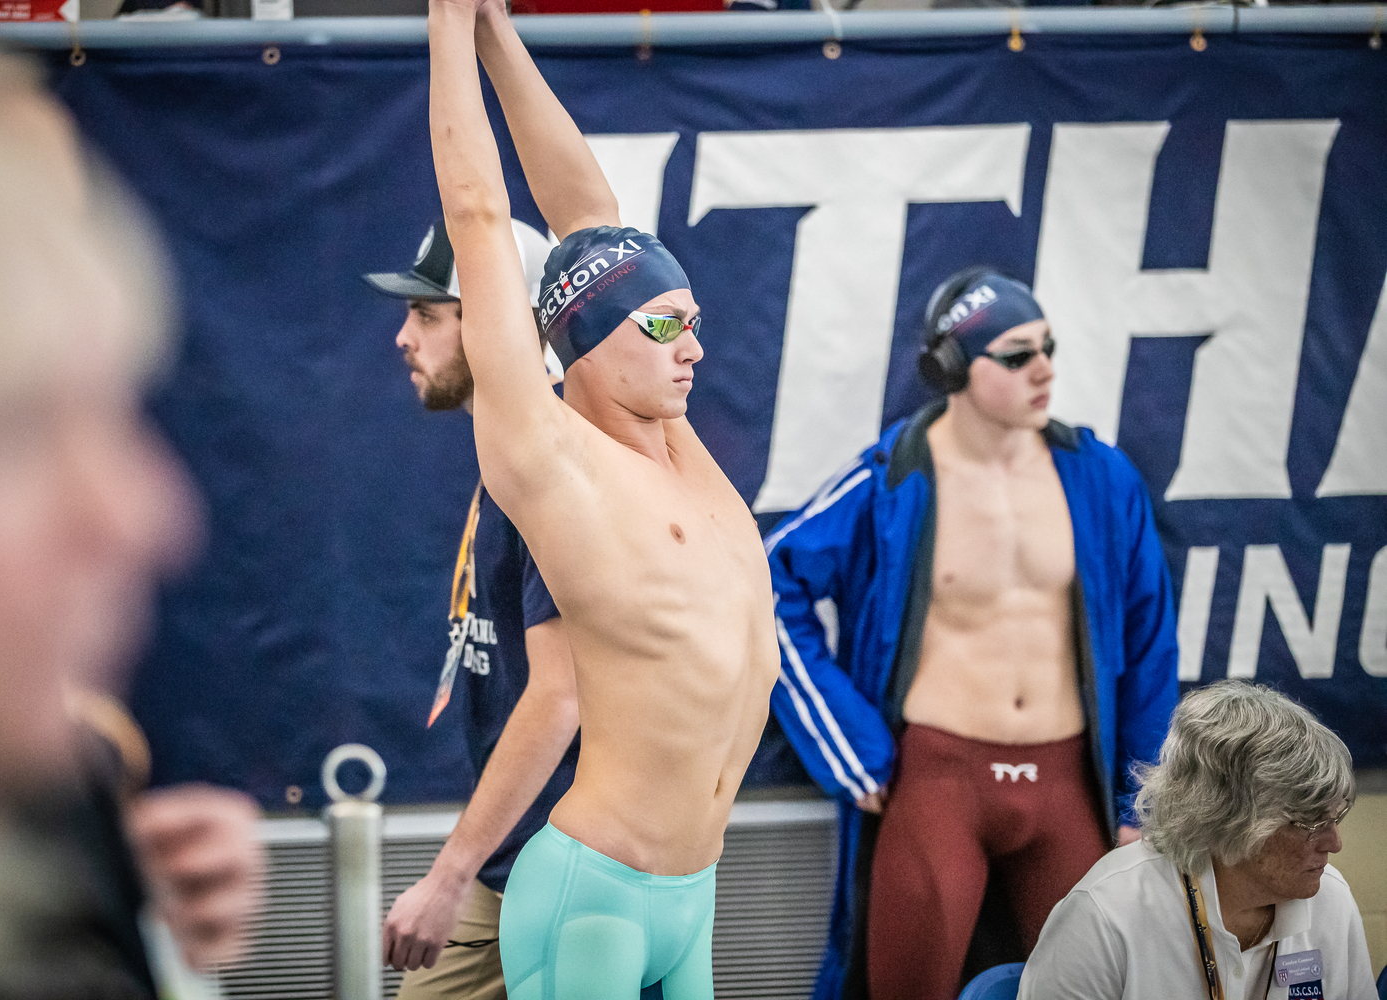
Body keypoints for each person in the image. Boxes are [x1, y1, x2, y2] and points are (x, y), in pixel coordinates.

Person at [0, 43, 259, 996]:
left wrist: (114, 902)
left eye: (113, 412)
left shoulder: (25, 796)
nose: (146, 520)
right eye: (3, 429)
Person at [425, 2, 781, 998]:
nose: (696, 350)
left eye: (694, 322)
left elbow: (587, 212)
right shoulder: (552, 456)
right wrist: (447, 33)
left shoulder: (675, 443)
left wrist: (496, 27)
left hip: (691, 893)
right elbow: (481, 216)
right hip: (594, 892)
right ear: (592, 338)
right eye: (667, 328)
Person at [766, 267, 1180, 1000]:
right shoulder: (893, 478)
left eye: (1049, 347)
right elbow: (769, 585)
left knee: (1104, 989)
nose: (1045, 369)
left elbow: (1150, 647)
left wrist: (1138, 802)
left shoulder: (1101, 478)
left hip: (1064, 786)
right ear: (953, 367)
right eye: (1017, 355)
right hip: (939, 783)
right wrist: (850, 745)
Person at [363, 217, 584, 1000]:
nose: (402, 337)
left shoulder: (552, 464)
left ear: (495, 322)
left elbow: (561, 695)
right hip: (521, 857)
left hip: (568, 874)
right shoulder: (508, 450)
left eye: (428, 314)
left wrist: (449, 873)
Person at [1020, 680, 1375, 999]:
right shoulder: (1105, 914)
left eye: (1335, 817)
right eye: (1309, 822)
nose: (1334, 842)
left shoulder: (1330, 898)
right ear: (1228, 818)